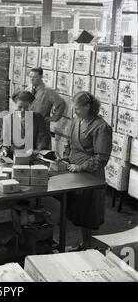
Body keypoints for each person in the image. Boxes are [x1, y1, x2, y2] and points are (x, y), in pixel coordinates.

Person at [64, 91, 112, 250]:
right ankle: (84, 244)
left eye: (77, 108)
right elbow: (69, 142)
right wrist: (65, 157)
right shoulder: (76, 121)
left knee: (87, 211)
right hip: (73, 169)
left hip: (90, 173)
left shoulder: (101, 127)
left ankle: (88, 246)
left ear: (88, 106)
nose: (75, 111)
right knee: (77, 208)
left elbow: (102, 157)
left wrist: (81, 167)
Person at [1, 91, 50, 160]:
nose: (23, 110)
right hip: (13, 158)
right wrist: (4, 150)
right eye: (20, 107)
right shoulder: (8, 119)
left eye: (26, 107)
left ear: (30, 105)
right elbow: (5, 141)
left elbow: (43, 138)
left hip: (33, 158)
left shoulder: (38, 118)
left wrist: (37, 151)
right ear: (15, 104)